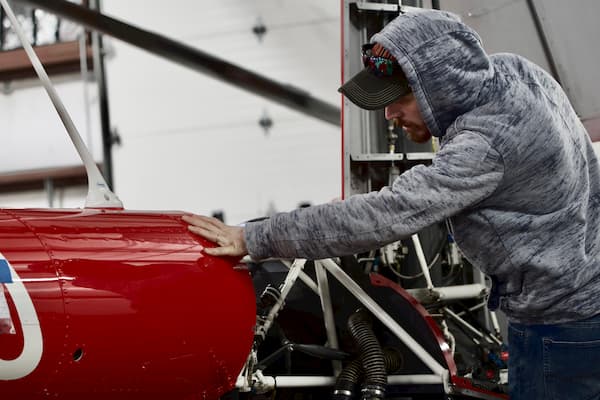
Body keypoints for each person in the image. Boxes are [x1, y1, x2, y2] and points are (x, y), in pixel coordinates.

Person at [182, 9, 600, 400]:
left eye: (397, 99)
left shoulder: (484, 145)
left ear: (438, 86)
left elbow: (384, 216)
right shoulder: (514, 72)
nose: (387, 115)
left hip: (561, 327)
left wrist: (254, 236)